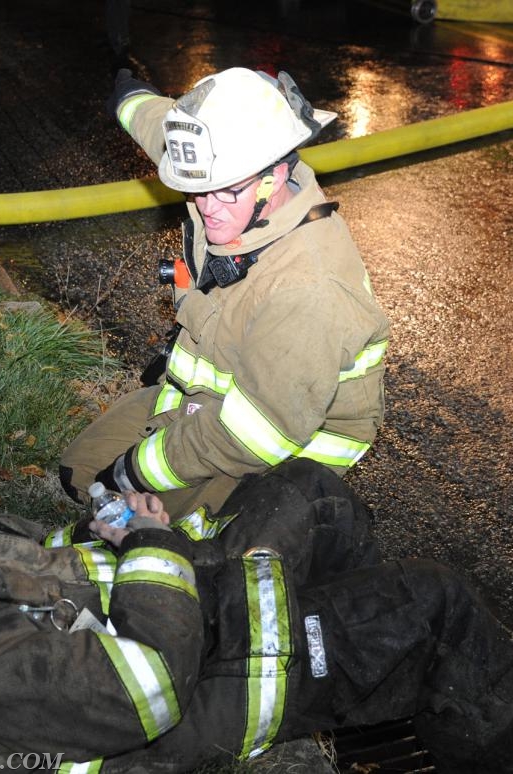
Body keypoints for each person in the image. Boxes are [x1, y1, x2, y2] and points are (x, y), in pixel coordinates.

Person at [0, 434, 513, 774]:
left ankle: (364, 699)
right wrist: (150, 545)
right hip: (211, 680)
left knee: (309, 491)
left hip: (177, 602)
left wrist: (104, 532)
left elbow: (44, 577)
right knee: (438, 603)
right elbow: (150, 689)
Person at [60, 66, 391, 519]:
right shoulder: (224, 175)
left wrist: (132, 474)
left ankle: (248, 526)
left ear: (276, 175)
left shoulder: (308, 286)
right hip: (214, 394)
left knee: (137, 517)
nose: (207, 207)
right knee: (77, 473)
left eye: (225, 191)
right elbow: (162, 130)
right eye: (196, 190)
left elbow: (255, 434)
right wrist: (129, 97)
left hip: (281, 444)